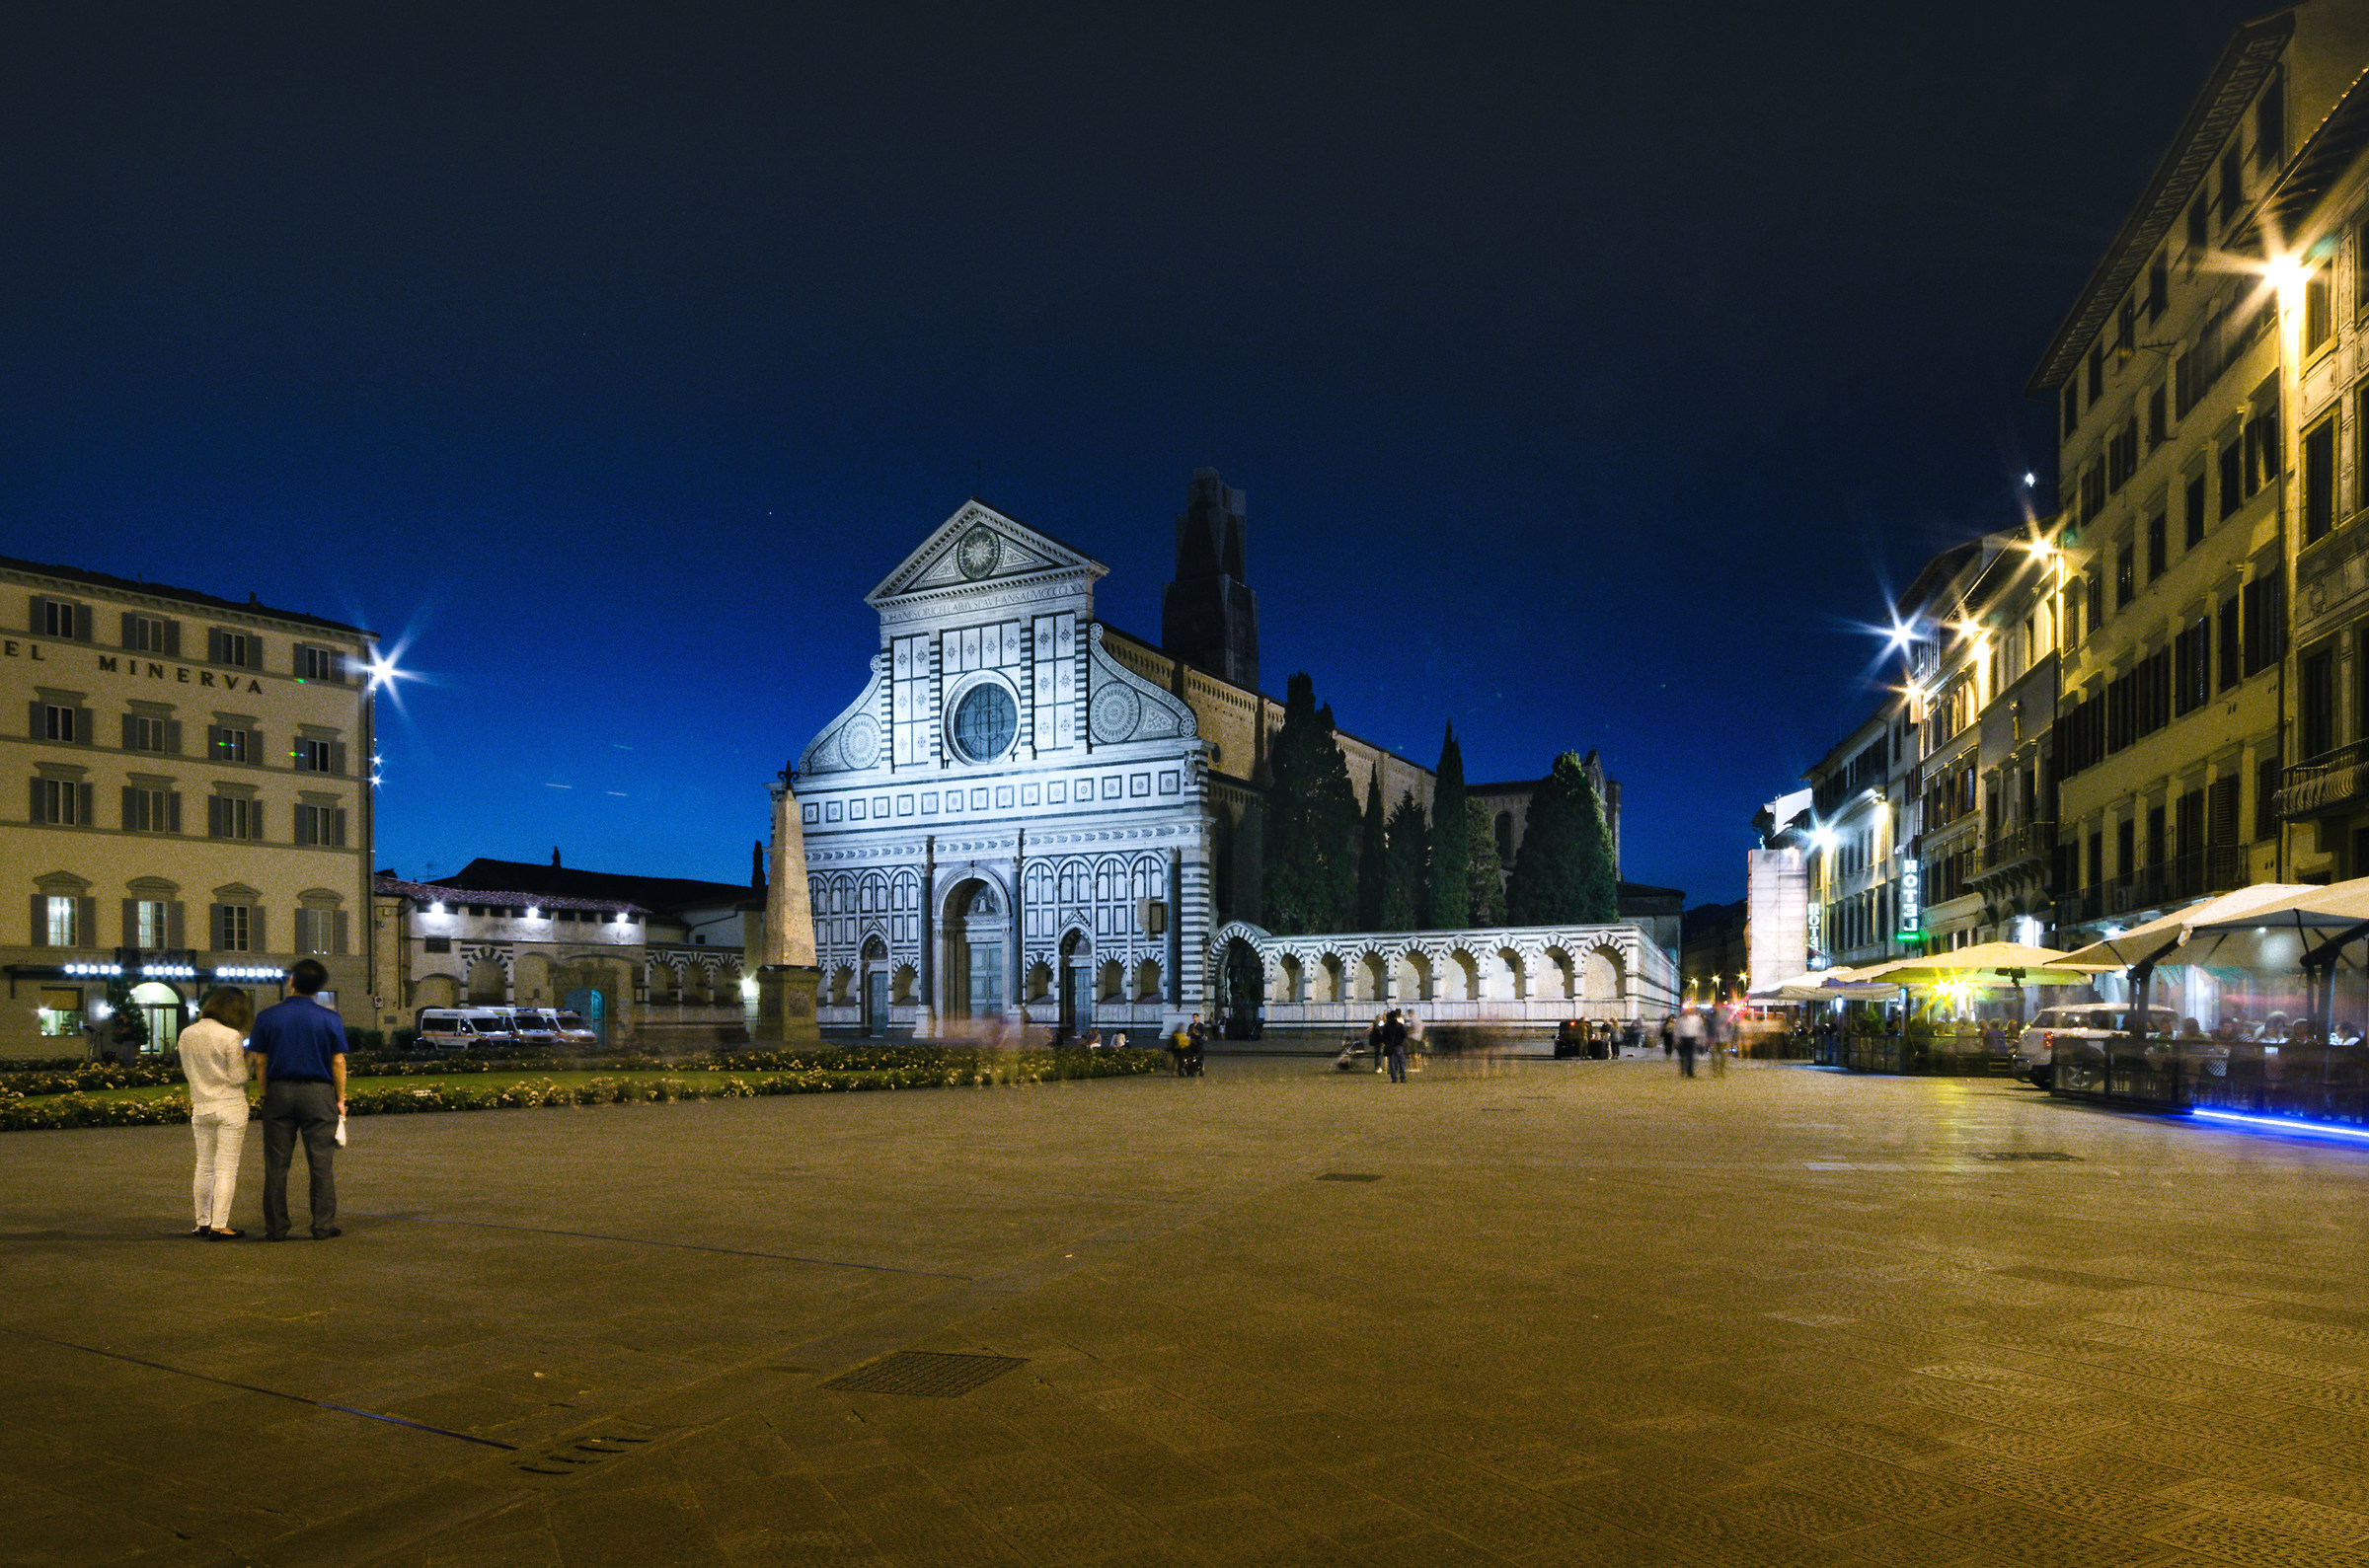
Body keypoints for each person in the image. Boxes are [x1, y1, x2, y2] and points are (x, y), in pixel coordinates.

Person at [245, 959, 349, 1241]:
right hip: (318, 1093)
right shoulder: (329, 1018)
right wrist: (340, 1099)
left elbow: (260, 1062)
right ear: (318, 987)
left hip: (279, 1092)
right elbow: (337, 1061)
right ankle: (322, 1225)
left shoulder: (268, 1016)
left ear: (291, 981)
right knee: (321, 1163)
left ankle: (277, 1227)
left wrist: (266, 1095)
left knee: (277, 1164)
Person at [178, 987, 256, 1238]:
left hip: (201, 1105)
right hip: (230, 1105)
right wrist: (250, 1061)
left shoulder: (187, 1033)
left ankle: (202, 1221)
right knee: (227, 1168)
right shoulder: (230, 1035)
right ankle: (220, 1225)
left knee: (204, 1166)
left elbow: (188, 1070)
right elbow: (238, 1076)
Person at [1674, 1006, 1705, 1078]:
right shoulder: (1680, 1020)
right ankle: (1683, 1071)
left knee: (1691, 1056)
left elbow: (1700, 1029)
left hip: (1692, 1038)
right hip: (1682, 1038)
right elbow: (1676, 1030)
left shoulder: (1696, 1019)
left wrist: (1700, 1039)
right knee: (1682, 1056)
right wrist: (1676, 1040)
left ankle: (1690, 1072)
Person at [1383, 1008, 1409, 1083]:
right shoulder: (1400, 1025)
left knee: (1391, 1062)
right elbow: (1404, 1035)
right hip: (1398, 1045)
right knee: (1401, 1061)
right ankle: (1403, 1077)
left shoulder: (1386, 1026)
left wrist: (1386, 1042)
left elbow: (1384, 1036)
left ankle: (1394, 1078)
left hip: (1390, 1045)